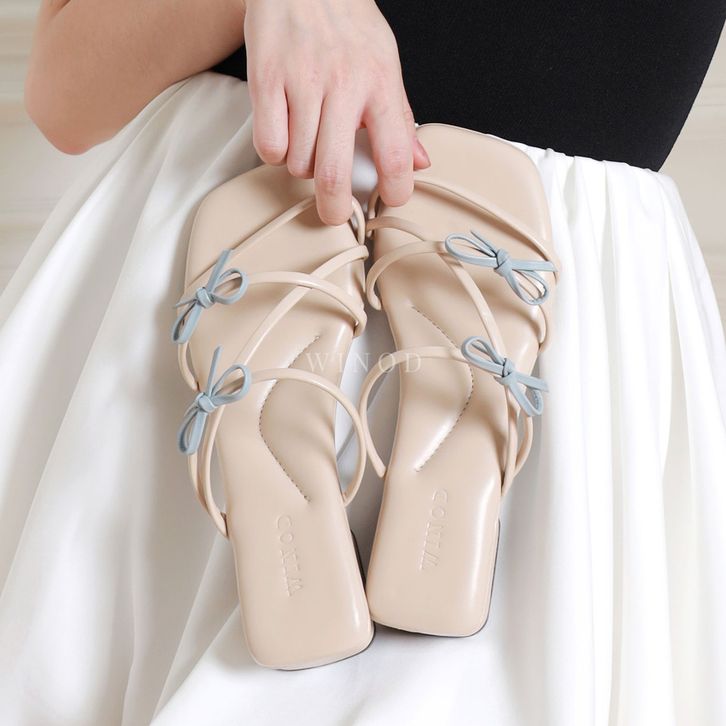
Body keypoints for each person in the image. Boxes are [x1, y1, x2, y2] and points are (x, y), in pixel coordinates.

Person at [1, 1, 724, 724]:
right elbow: (66, 92)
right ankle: (434, 525)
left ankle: (299, 548)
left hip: (260, 240)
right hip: (459, 254)